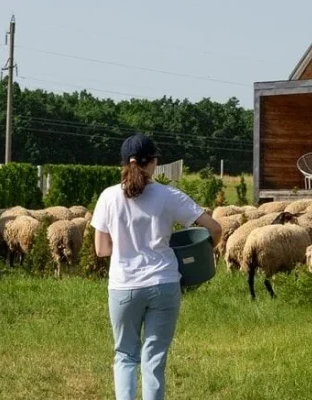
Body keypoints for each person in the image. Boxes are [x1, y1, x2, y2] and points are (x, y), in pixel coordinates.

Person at [91, 134, 221, 400]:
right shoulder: (169, 196)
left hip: (123, 286)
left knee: (125, 355)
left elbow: (101, 249)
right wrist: (205, 251)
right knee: (154, 359)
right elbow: (214, 228)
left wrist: (129, 247)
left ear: (123, 163)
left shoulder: (108, 197)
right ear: (153, 163)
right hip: (163, 284)